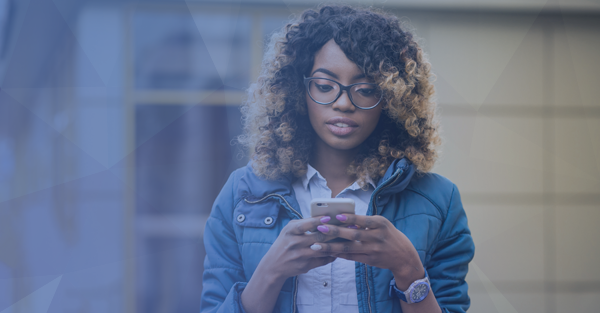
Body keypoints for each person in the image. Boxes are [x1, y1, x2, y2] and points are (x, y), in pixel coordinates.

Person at [200, 5, 474, 313]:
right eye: (325, 86)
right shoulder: (241, 194)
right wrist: (271, 271)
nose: (343, 103)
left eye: (366, 89)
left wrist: (409, 269)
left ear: (393, 98)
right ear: (297, 90)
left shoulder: (439, 200)